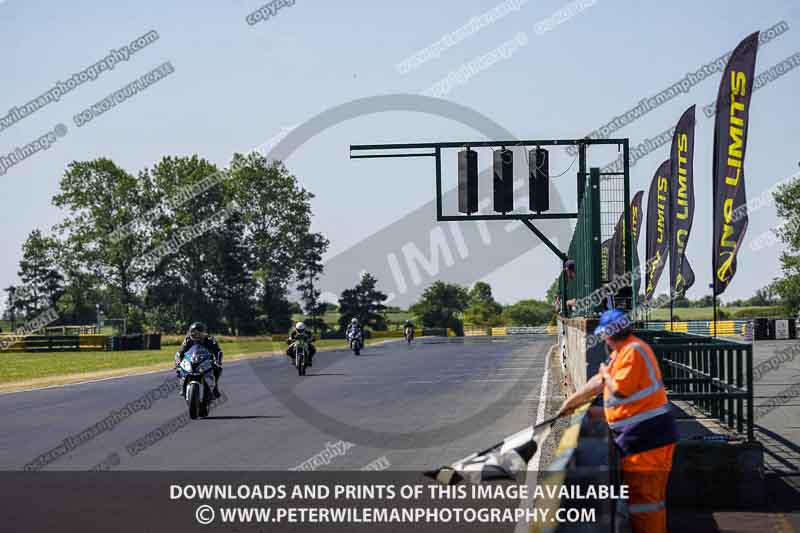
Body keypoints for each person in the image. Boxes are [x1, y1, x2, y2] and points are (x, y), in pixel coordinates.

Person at [556, 309, 677, 533]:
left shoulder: (634, 351)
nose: (603, 339)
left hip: (649, 441)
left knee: (647, 503)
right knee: (643, 502)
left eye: (605, 334)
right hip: (640, 439)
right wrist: (571, 403)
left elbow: (619, 389)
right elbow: (597, 382)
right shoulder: (621, 353)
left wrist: (606, 373)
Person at [174, 322, 223, 398]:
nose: (196, 335)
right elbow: (180, 352)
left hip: (207, 361)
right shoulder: (188, 340)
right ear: (190, 333)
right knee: (179, 369)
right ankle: (182, 386)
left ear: (204, 333)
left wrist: (218, 361)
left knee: (218, 369)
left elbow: (218, 351)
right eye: (194, 332)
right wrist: (178, 363)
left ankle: (215, 388)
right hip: (192, 360)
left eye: (199, 333)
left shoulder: (210, 339)